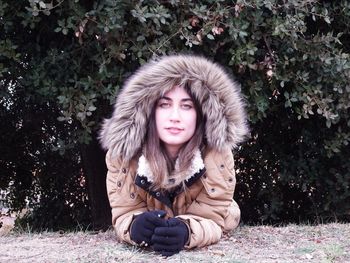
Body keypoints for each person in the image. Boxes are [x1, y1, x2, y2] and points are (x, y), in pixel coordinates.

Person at [99, 54, 248, 256]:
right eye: (164, 105)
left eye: (186, 106)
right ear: (150, 110)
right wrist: (135, 226)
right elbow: (124, 211)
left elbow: (212, 218)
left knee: (229, 215)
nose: (175, 117)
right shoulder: (123, 156)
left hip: (213, 214)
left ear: (200, 114)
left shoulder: (217, 156)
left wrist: (187, 231)